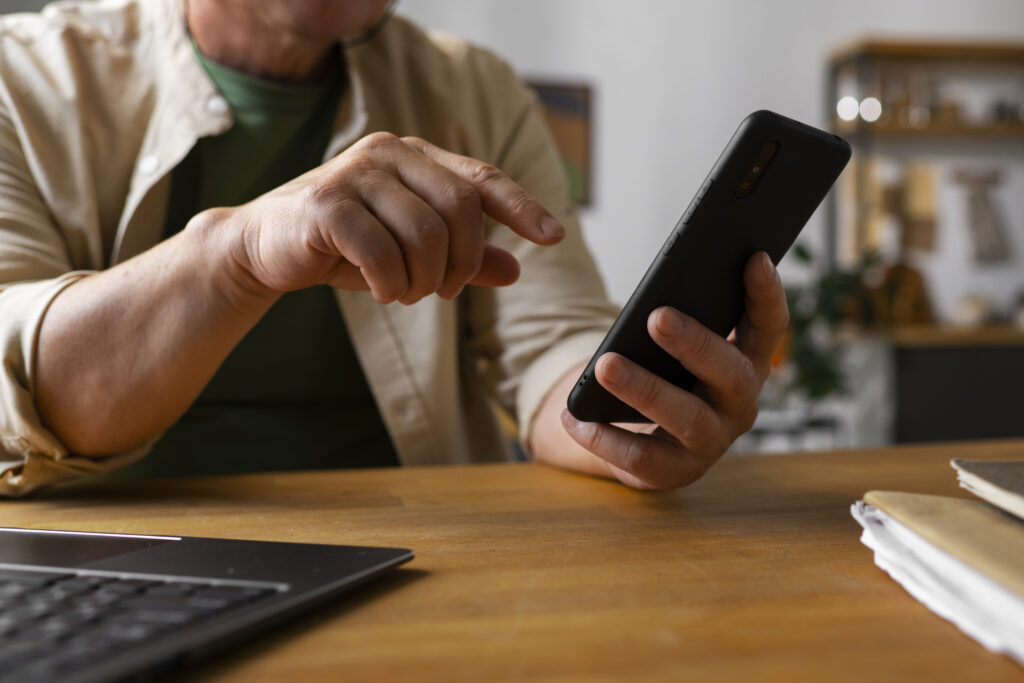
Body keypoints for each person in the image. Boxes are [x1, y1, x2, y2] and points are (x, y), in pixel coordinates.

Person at [0, 0, 789, 497]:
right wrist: (235, 258)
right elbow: (21, 391)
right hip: (101, 569)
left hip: (417, 558)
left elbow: (549, 344)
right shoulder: (22, 77)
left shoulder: (476, 90)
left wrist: (630, 417)